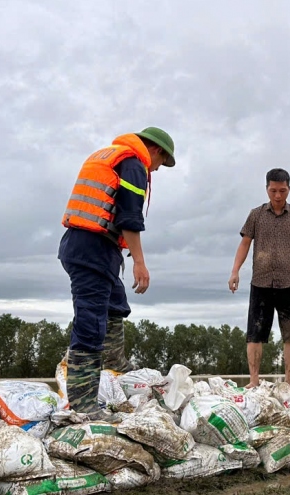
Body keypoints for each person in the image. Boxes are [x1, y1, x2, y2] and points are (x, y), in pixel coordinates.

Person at [58, 128, 176, 420]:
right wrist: (139, 262)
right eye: (161, 163)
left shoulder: (110, 156)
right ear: (156, 150)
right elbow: (129, 218)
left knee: (115, 306)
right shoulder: (134, 164)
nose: (157, 169)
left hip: (91, 248)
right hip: (92, 250)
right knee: (90, 323)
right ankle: (84, 404)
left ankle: (114, 369)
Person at [229, 169, 290, 390]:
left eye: (282, 191)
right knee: (255, 333)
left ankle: (289, 382)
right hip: (260, 282)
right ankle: (254, 380)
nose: (278, 195)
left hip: (289, 282)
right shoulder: (255, 214)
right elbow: (245, 243)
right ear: (267, 188)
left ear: (289, 189)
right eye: (273, 190)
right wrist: (235, 271)